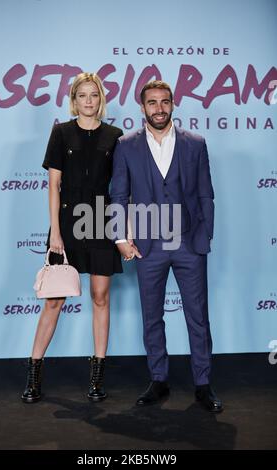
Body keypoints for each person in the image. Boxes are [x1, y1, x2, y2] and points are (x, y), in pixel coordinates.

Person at [110, 80, 223, 412]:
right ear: (142, 107)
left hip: (189, 243)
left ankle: (203, 385)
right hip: (148, 245)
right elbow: (119, 194)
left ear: (173, 104)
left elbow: (206, 194)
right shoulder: (126, 145)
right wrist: (120, 237)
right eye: (152, 103)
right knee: (151, 316)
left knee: (198, 317)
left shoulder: (195, 144)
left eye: (164, 102)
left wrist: (205, 235)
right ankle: (158, 380)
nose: (159, 108)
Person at [21, 72, 123, 404]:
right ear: (74, 99)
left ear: (101, 99)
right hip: (67, 222)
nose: (89, 101)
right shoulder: (61, 132)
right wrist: (56, 234)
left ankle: (97, 378)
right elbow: (53, 185)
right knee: (54, 299)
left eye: (94, 95)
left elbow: (121, 189)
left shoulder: (115, 136)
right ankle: (34, 374)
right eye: (83, 95)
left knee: (100, 297)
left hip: (102, 221)